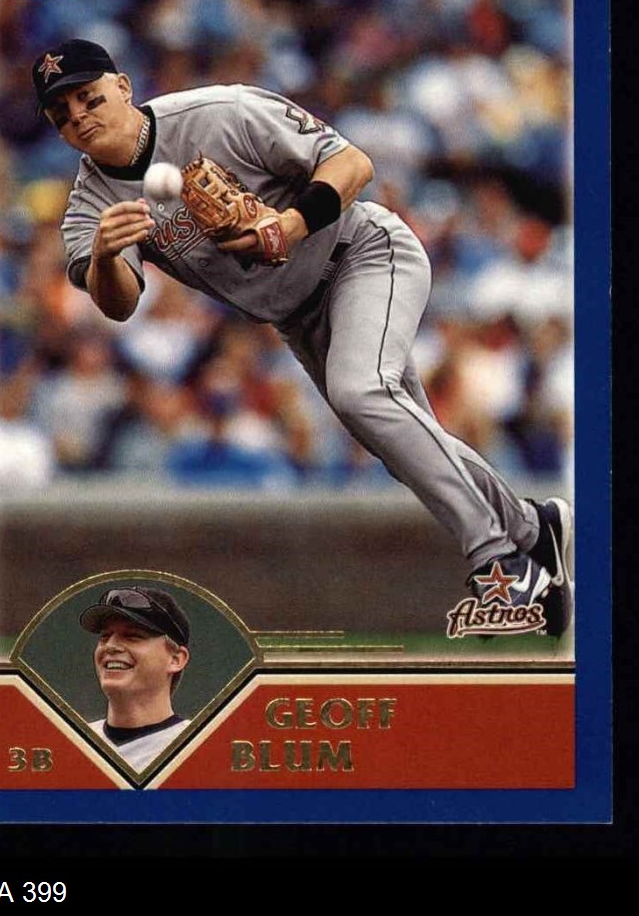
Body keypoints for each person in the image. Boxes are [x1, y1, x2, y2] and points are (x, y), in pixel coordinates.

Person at [35, 38, 573, 638]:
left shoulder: (221, 111)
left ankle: (497, 558)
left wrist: (288, 225)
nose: (79, 115)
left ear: (123, 87)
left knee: (362, 394)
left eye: (89, 97)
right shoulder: (91, 204)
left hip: (362, 253)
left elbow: (353, 164)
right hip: (297, 317)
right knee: (400, 439)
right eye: (62, 112)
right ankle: (533, 527)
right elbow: (119, 305)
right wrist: (107, 255)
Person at [79, 585, 191, 770]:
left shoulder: (200, 747)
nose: (111, 646)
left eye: (132, 636)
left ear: (175, 659)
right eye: (105, 636)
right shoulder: (70, 745)